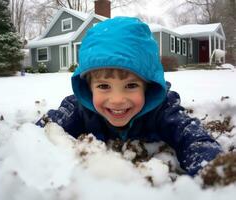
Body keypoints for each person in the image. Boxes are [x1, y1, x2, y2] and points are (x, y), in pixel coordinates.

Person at [36, 17, 222, 176]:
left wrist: (213, 172)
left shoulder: (163, 109)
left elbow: (193, 138)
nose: (117, 99)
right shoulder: (78, 109)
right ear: (89, 88)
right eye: (103, 86)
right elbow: (39, 135)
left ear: (148, 87)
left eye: (131, 85)